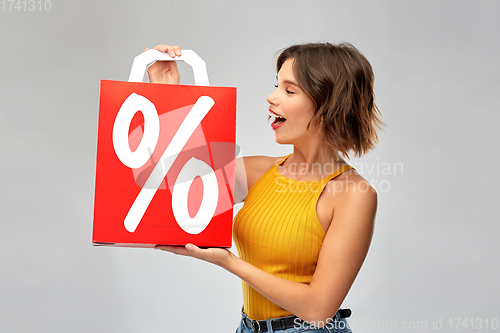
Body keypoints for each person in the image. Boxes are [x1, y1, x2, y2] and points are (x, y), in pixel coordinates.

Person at [151, 42, 383, 332]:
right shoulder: (257, 171)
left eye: (289, 90)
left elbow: (318, 308)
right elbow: (166, 190)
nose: (271, 97)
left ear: (328, 105)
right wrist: (165, 94)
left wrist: (229, 262)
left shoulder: (352, 195)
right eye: (277, 85)